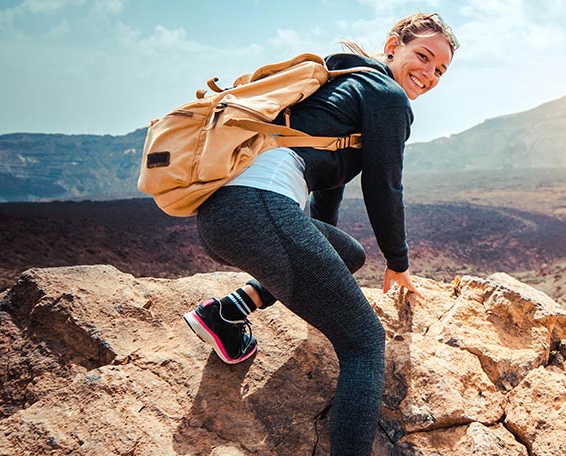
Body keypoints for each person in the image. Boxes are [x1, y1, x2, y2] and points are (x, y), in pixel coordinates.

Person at [181, 12, 458, 455]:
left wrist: (321, 250)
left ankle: (226, 314)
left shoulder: (344, 83)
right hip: (258, 209)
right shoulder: (386, 95)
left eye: (440, 70)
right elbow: (384, 186)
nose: (428, 74)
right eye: (422, 57)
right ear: (393, 47)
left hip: (222, 215)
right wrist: (398, 262)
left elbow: (327, 192)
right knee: (365, 343)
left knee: (346, 254)